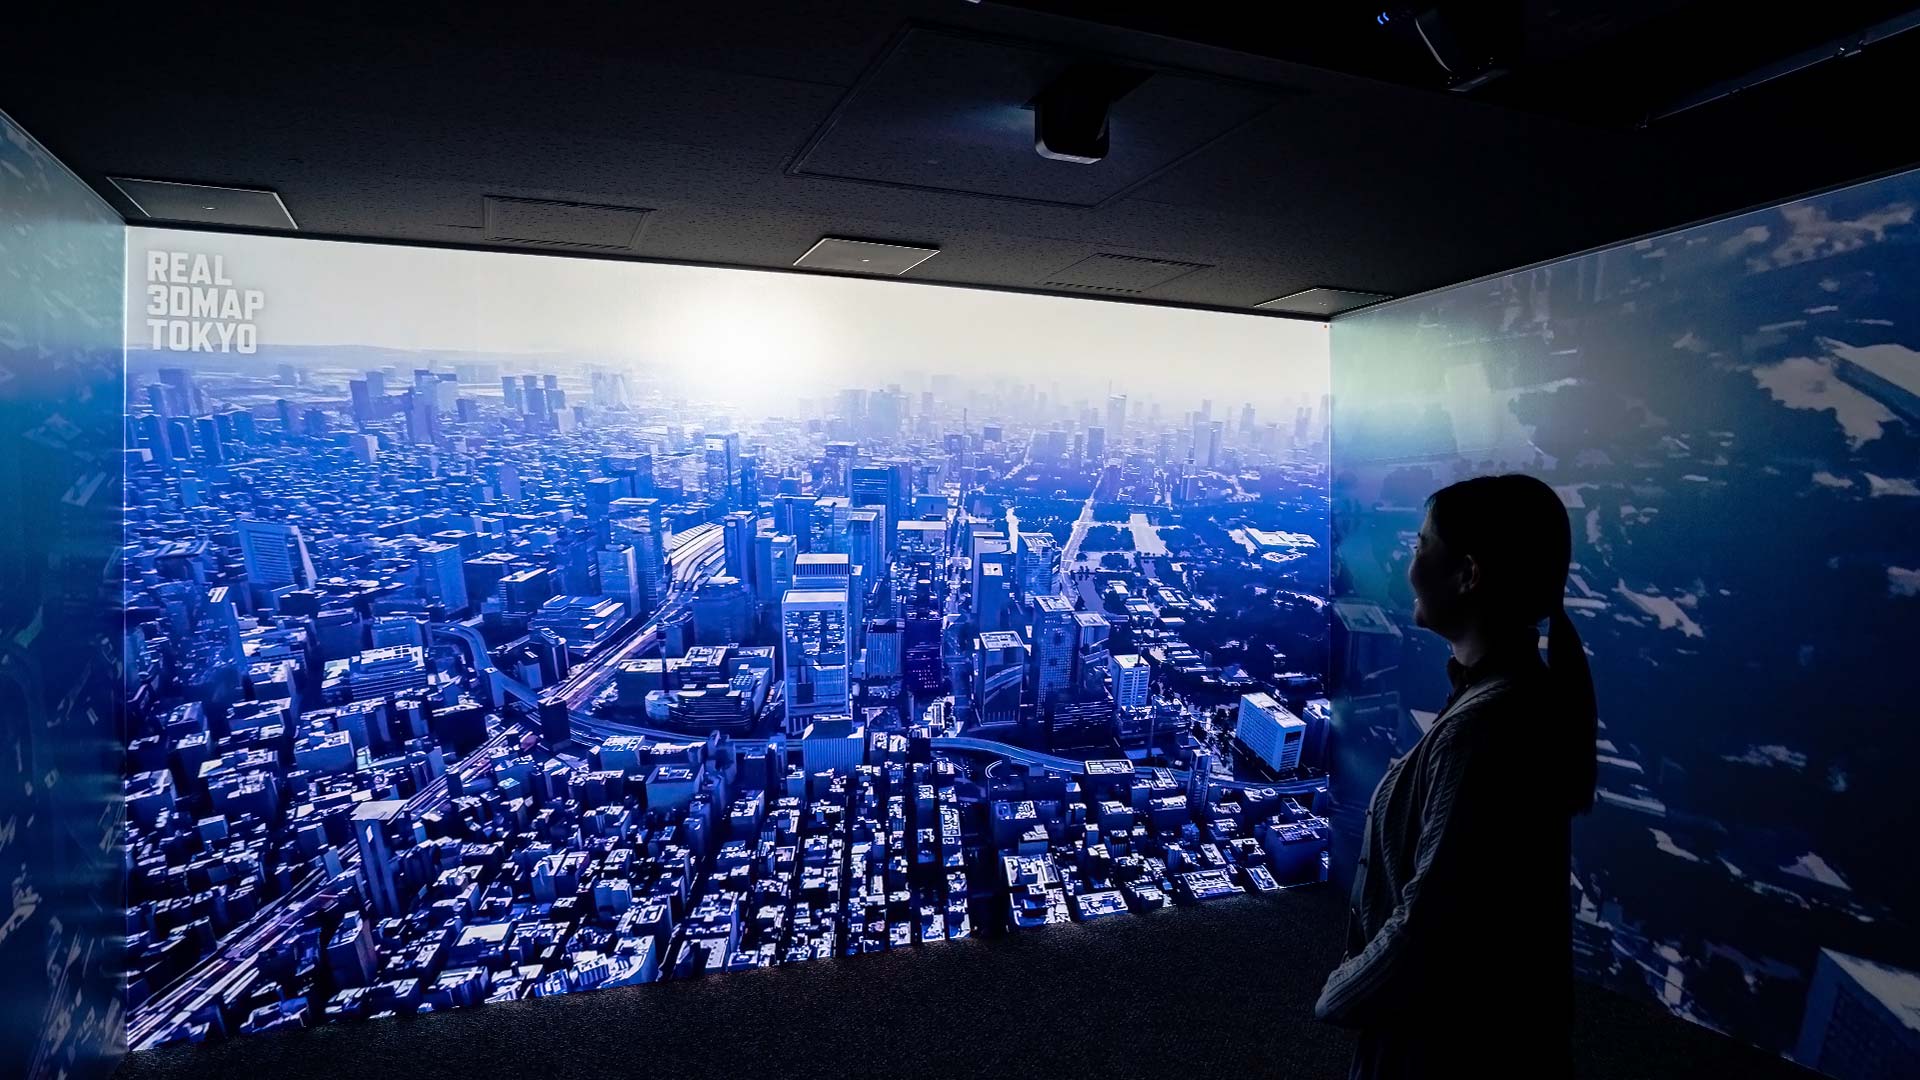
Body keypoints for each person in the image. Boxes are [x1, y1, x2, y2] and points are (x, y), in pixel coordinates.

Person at [1315, 474, 1598, 1078]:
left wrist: (1341, 992)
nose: (1409, 565)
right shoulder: (1511, 699)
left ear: (1468, 574)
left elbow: (1431, 923)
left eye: (1421, 546)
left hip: (1443, 1050)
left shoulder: (1485, 727)